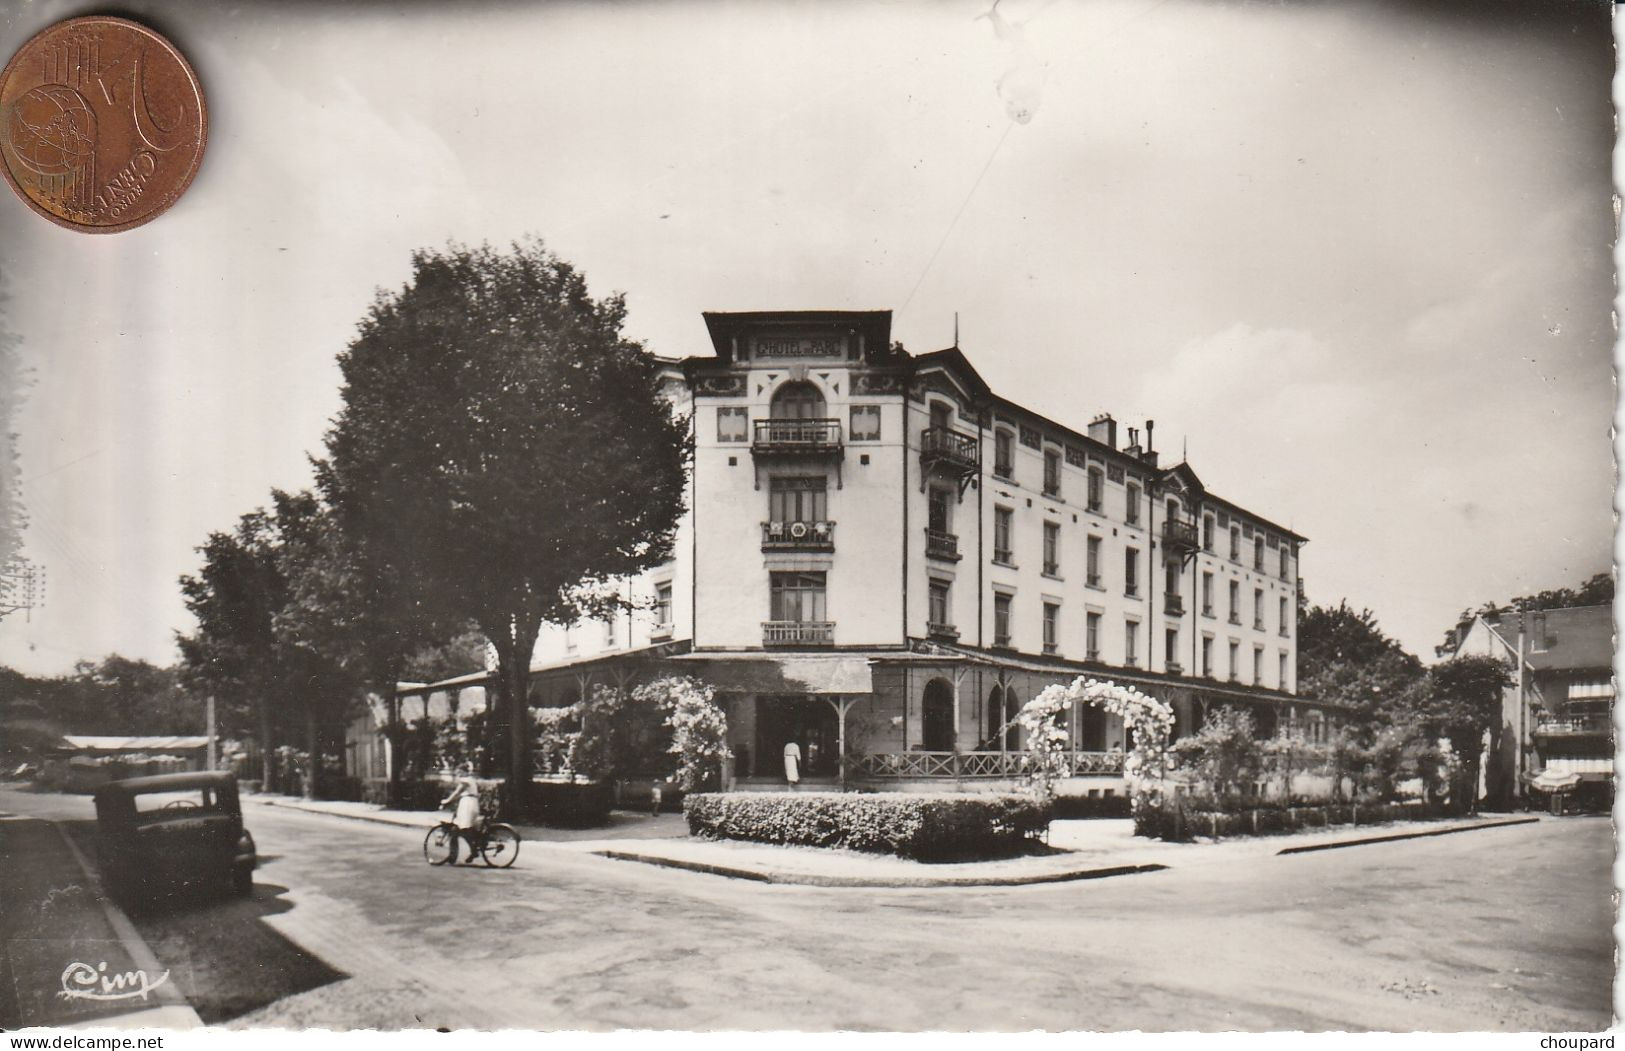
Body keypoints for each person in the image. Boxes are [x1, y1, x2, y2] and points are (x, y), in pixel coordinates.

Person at [439, 764, 483, 864]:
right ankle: (454, 856)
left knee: (463, 829)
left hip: (468, 806)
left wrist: (446, 801)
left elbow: (457, 792)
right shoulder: (470, 779)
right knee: (457, 830)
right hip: (468, 804)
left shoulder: (466, 780)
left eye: (459, 771)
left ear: (464, 771)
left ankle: (473, 851)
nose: (458, 774)